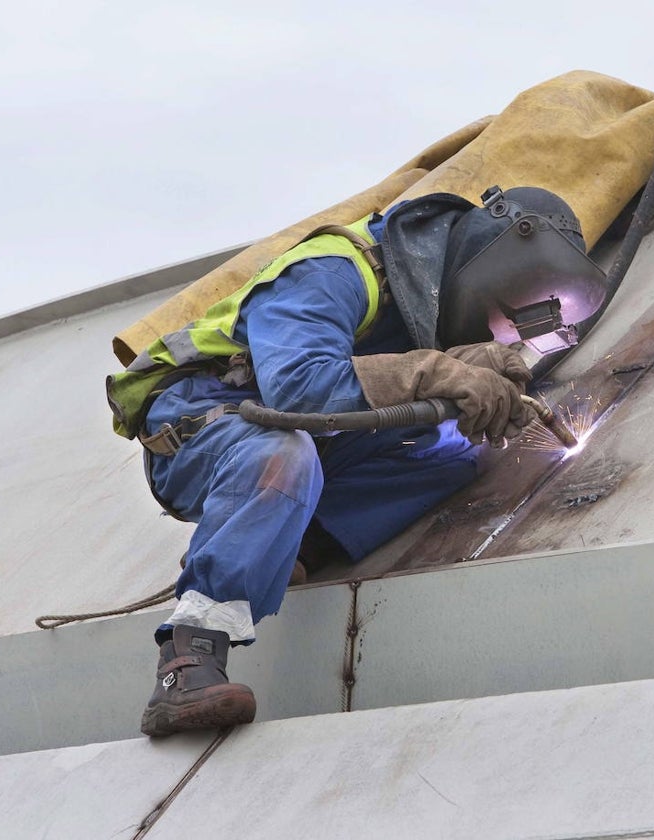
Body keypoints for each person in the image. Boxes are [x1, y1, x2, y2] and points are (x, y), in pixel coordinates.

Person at [106, 185, 604, 736]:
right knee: (279, 451)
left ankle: (295, 542)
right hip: (204, 421)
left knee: (455, 445)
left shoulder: (422, 303)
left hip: (312, 434)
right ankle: (188, 660)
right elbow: (299, 389)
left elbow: (376, 387)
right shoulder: (336, 270)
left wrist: (472, 376)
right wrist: (437, 373)